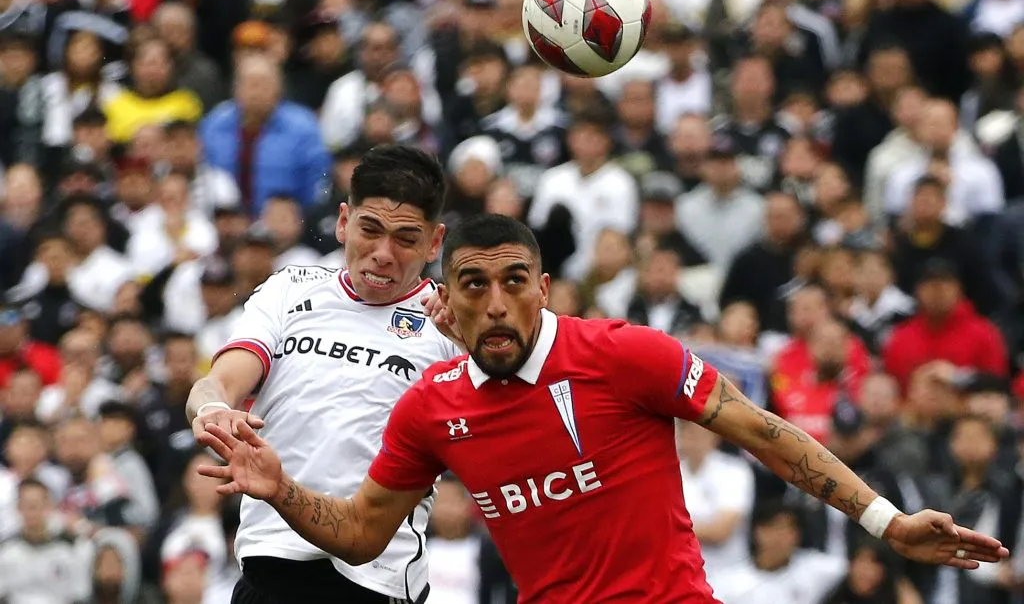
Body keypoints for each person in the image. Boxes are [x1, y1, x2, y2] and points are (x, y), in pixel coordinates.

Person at [196, 214, 1008, 604]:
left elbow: (765, 433)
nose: (495, 302)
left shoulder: (624, 355)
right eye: (473, 284)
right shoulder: (431, 408)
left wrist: (886, 521)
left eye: (514, 281)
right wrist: (281, 488)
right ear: (448, 298)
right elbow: (362, 531)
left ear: (543, 289)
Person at [185, 145, 460, 604]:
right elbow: (220, 382)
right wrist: (213, 408)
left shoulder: (449, 326)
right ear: (343, 222)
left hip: (372, 582)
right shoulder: (289, 288)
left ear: (434, 243)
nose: (383, 254)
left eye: (405, 238)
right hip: (267, 569)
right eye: (370, 230)